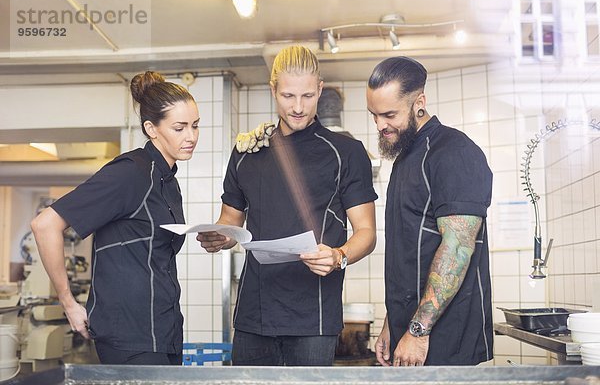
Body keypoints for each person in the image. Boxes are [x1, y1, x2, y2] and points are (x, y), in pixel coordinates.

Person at [197, 45, 378, 366]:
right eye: (288, 96)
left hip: (314, 318)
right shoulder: (247, 152)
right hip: (254, 315)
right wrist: (219, 237)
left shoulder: (346, 152)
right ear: (273, 89)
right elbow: (230, 221)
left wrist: (339, 256)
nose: (297, 107)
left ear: (320, 89)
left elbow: (366, 232)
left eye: (307, 96)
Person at [30, 71, 200, 365]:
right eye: (180, 127)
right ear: (152, 128)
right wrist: (68, 303)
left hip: (164, 330)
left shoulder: (168, 181)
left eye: (196, 126)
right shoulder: (130, 172)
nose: (191, 136)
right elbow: (45, 224)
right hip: (130, 336)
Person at [367, 56, 493, 366]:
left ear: (419, 102)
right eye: (374, 115)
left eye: (389, 114)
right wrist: (392, 322)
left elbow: (456, 248)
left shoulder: (453, 152)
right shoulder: (405, 158)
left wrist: (418, 331)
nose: (380, 125)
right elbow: (411, 256)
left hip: (445, 344)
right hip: (410, 334)